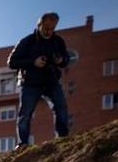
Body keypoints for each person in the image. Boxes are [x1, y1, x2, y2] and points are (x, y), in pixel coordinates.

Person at [7, 12, 71, 149]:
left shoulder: (58, 41)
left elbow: (66, 59)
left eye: (53, 29)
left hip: (51, 81)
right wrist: (33, 62)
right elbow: (11, 62)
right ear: (39, 25)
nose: (49, 32)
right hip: (30, 83)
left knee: (61, 108)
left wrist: (61, 60)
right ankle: (22, 143)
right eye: (47, 28)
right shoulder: (27, 41)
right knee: (25, 114)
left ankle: (63, 138)